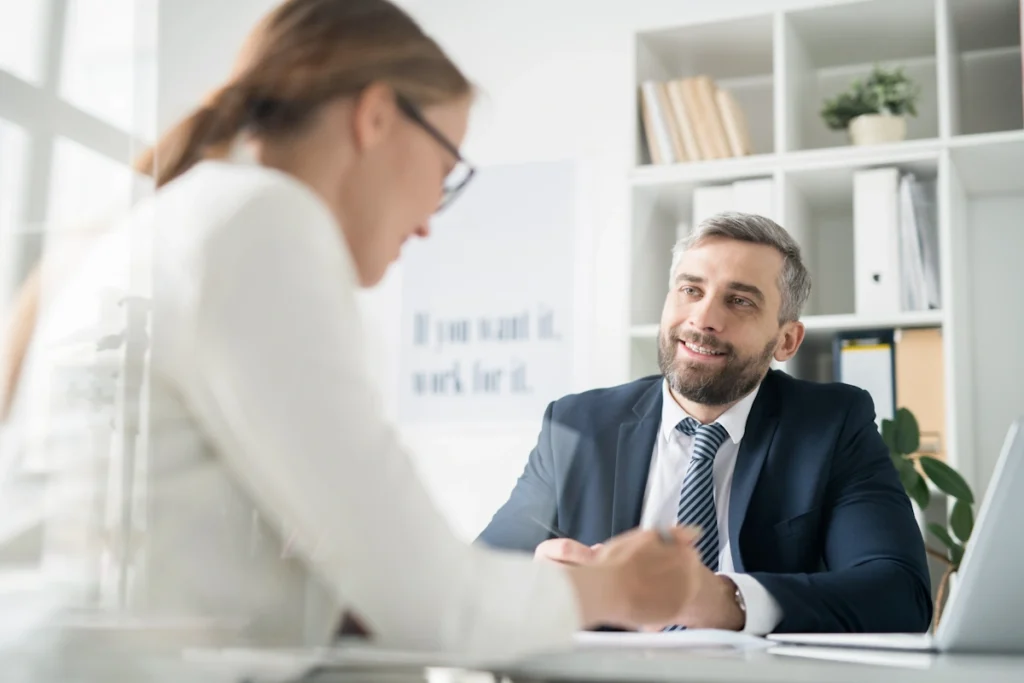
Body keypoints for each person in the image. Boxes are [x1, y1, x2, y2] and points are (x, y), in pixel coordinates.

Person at [0, 0, 701, 667]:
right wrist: (616, 587)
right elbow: (434, 603)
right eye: (445, 171)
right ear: (374, 117)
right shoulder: (263, 223)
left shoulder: (179, 217)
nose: (431, 218)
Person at [478, 212, 933, 635]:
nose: (703, 318)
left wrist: (721, 600)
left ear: (787, 340)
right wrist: (537, 583)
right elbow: (475, 584)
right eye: (690, 290)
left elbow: (899, 596)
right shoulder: (578, 424)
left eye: (739, 301)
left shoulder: (830, 425)